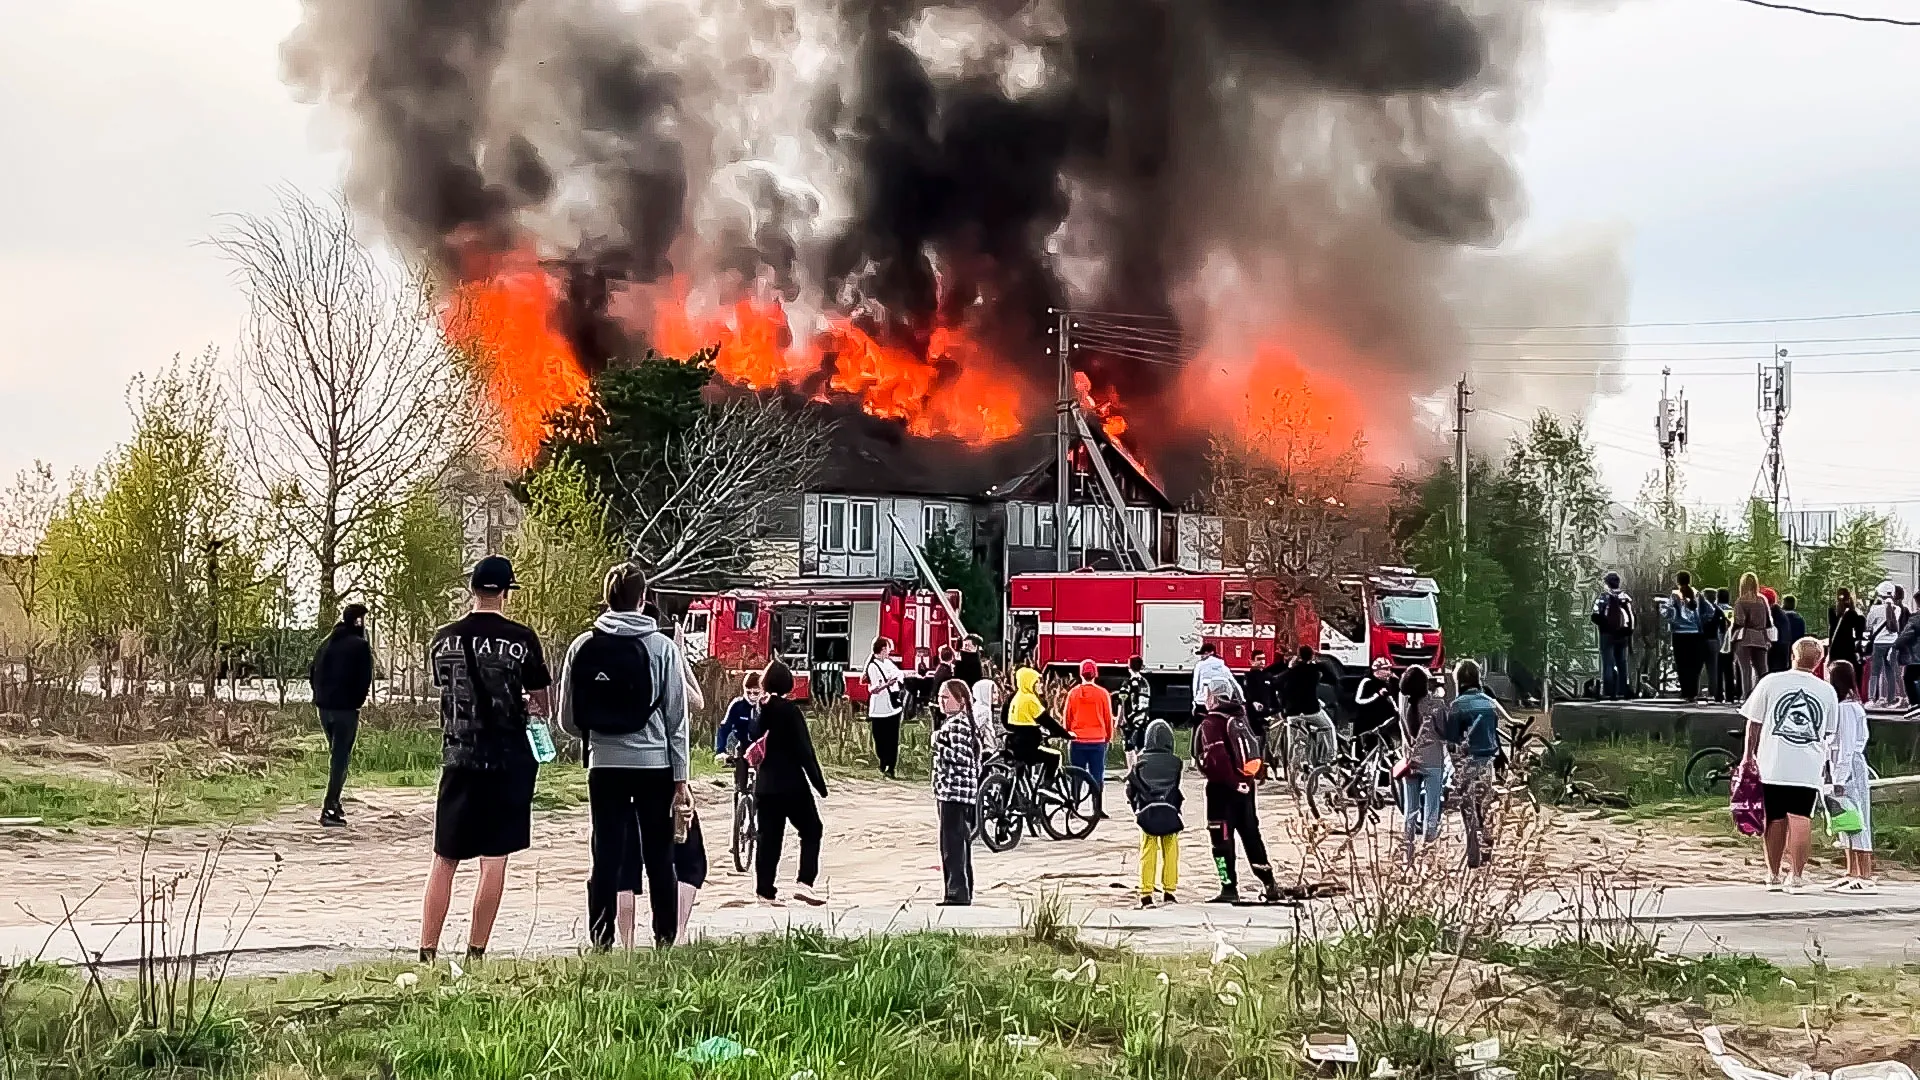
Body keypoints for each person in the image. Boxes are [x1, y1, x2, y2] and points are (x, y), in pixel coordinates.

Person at [420, 556, 553, 963]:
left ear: (473, 590)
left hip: (458, 757)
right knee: (494, 860)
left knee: (444, 858)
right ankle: (475, 953)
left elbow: (446, 687)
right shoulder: (522, 639)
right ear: (506, 592)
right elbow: (543, 703)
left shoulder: (443, 640)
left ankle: (427, 951)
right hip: (508, 760)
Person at [557, 562, 691, 950]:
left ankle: (601, 940)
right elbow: (676, 721)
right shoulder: (663, 648)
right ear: (643, 599)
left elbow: (567, 719)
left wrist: (599, 735)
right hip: (655, 768)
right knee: (658, 855)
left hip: (605, 766)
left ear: (606, 599)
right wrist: (680, 778)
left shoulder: (583, 646)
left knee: (606, 853)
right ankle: (665, 939)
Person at [1741, 636, 1839, 893]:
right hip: (1806, 766)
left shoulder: (1771, 681)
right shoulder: (1827, 690)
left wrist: (1748, 755)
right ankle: (1796, 875)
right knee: (1801, 817)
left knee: (1774, 819)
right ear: (1819, 662)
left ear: (1792, 655)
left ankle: (1773, 874)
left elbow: (1754, 722)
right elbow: (1829, 730)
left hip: (1773, 762)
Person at [1196, 676, 1282, 905]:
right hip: (1247, 786)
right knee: (1251, 834)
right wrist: (1244, 782)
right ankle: (1269, 882)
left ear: (1214, 696)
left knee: (1221, 838)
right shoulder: (1239, 715)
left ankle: (1228, 887)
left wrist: (1232, 782)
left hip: (1221, 790)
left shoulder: (1211, 723)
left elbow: (1217, 757)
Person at [754, 661, 829, 906]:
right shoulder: (790, 711)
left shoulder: (760, 709)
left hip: (765, 784)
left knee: (769, 838)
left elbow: (751, 737)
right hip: (791, 784)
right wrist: (819, 784)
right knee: (811, 829)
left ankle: (764, 891)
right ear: (788, 684)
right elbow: (804, 751)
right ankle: (805, 882)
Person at [308, 601, 374, 828]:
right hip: (346, 709)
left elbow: (312, 671)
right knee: (340, 759)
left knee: (336, 756)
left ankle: (335, 802)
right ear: (358, 620)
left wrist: (320, 696)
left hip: (324, 708)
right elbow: (365, 678)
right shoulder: (359, 645)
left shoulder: (326, 643)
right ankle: (330, 805)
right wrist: (357, 701)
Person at [1447, 660, 1507, 869]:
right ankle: (1488, 847)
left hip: (1468, 762)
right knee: (1485, 806)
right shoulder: (1489, 703)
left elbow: (1452, 737)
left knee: (1469, 809)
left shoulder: (1457, 705)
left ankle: (1474, 856)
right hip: (1488, 761)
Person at [931, 678, 983, 906]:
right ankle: (962, 890)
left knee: (952, 846)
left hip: (954, 793)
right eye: (940, 697)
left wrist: (937, 744)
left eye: (946, 697)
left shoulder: (957, 725)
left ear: (961, 701)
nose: (941, 702)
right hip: (955, 792)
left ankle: (956, 892)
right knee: (959, 843)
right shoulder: (959, 723)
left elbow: (964, 759)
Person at [1825, 660, 1875, 893]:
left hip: (1847, 767)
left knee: (1857, 818)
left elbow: (1845, 746)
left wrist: (1839, 779)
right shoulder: (1847, 706)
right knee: (1845, 819)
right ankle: (1850, 870)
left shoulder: (1846, 709)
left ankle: (1864, 873)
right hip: (1839, 765)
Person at [1127, 718, 1184, 908]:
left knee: (1148, 851)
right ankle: (1169, 891)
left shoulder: (1140, 763)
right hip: (1169, 811)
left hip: (1147, 812)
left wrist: (1135, 808)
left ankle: (1146, 893)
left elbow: (1131, 789)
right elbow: (1176, 787)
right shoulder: (1176, 763)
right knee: (1171, 850)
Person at [1396, 664, 1447, 863]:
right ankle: (1428, 853)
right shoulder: (1436, 705)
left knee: (1410, 810)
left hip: (1411, 762)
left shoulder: (1406, 707)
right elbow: (1444, 731)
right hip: (1433, 761)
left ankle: (1406, 853)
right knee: (1431, 809)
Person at [1063, 660, 1117, 817]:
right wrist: (1108, 736)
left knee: (1076, 775)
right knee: (1097, 775)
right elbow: (1108, 717)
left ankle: (1074, 807)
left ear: (1081, 674)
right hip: (1097, 740)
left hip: (1077, 740)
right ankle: (1097, 808)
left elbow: (1067, 716)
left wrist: (1067, 733)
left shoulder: (1073, 693)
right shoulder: (1103, 693)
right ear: (1095, 674)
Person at [1005, 666, 1069, 777]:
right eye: (1036, 682)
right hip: (1028, 745)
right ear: (1029, 682)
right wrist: (1065, 734)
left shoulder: (1017, 697)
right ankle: (1046, 787)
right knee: (1055, 757)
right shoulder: (1030, 699)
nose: (1039, 685)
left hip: (1014, 743)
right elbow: (1047, 721)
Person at [1279, 646, 1335, 771]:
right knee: (1328, 727)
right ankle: (1331, 756)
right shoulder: (1314, 670)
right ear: (1312, 656)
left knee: (1292, 736)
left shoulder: (1291, 672)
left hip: (1292, 713)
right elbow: (1332, 679)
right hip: (1311, 710)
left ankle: (1291, 764)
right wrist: (1319, 663)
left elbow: (1277, 682)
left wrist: (1289, 667)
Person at [863, 638, 907, 778]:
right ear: (882, 649)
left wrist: (896, 679)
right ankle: (883, 761)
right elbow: (874, 689)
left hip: (893, 707)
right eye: (888, 648)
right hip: (879, 708)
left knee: (892, 738)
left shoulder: (888, 663)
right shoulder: (872, 666)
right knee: (880, 738)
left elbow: (899, 674)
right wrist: (888, 683)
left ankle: (891, 767)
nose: (890, 651)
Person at [1590, 572, 1634, 700]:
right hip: (1623, 635)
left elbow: (1595, 615)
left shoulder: (1603, 597)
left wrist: (1605, 626)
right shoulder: (1625, 597)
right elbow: (1631, 616)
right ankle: (1623, 690)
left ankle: (1609, 691)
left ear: (1607, 583)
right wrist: (1628, 631)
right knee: (1622, 662)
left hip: (1607, 634)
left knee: (1608, 662)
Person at [1666, 572, 1708, 702]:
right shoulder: (1698, 595)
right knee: (1694, 663)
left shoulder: (1674, 595)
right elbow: (1708, 611)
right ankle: (1693, 691)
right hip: (1695, 634)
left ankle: (1685, 691)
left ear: (1678, 581)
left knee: (1681, 663)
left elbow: (1668, 612)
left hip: (1679, 633)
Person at [1730, 573, 1773, 698]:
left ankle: (1747, 696)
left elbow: (1740, 621)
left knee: (1745, 670)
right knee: (1763, 670)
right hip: (1760, 637)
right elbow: (1768, 621)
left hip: (1744, 638)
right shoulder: (1762, 600)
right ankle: (1764, 696)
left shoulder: (1741, 601)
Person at [1353, 657, 1399, 756]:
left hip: (1380, 721)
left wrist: (1396, 709)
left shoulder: (1386, 683)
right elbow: (1358, 700)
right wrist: (1377, 695)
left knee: (1387, 746)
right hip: (1365, 721)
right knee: (1363, 748)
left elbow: (1389, 697)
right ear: (1377, 670)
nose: (1389, 672)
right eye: (1386, 669)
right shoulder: (1367, 681)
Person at [1868, 587, 1904, 706]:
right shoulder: (1897, 609)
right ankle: (1890, 698)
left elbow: (1868, 624)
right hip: (1892, 642)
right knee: (1891, 671)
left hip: (1878, 643)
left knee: (1875, 672)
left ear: (1880, 595)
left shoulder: (1875, 609)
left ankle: (1872, 698)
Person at [1119, 655, 1153, 772]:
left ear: (1128, 666)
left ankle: (1131, 771)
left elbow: (1122, 702)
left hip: (1130, 719)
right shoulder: (1145, 683)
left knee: (1129, 747)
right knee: (1140, 746)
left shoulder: (1127, 683)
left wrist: (1120, 719)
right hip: (1143, 718)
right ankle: (1140, 770)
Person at [1191, 643, 1240, 715]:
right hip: (1220, 703)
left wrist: (1195, 701)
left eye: (1204, 653)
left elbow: (1196, 685)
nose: (1201, 656)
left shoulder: (1199, 665)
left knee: (1200, 723)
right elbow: (1234, 684)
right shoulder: (1223, 666)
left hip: (1202, 702)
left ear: (1211, 653)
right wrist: (1241, 699)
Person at [1243, 649, 1278, 745]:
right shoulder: (1249, 676)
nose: (1262, 661)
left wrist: (1276, 708)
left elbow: (1273, 693)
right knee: (1256, 736)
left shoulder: (1268, 675)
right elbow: (1248, 692)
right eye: (1259, 659)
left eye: (1263, 658)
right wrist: (1254, 702)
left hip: (1268, 711)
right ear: (1252, 661)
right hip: (1254, 712)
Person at [1828, 589, 1866, 673]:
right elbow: (1859, 630)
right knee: (1848, 670)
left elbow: (1831, 629)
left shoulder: (1832, 611)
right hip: (1848, 646)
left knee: (1835, 671)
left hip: (1835, 647)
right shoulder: (1853, 612)